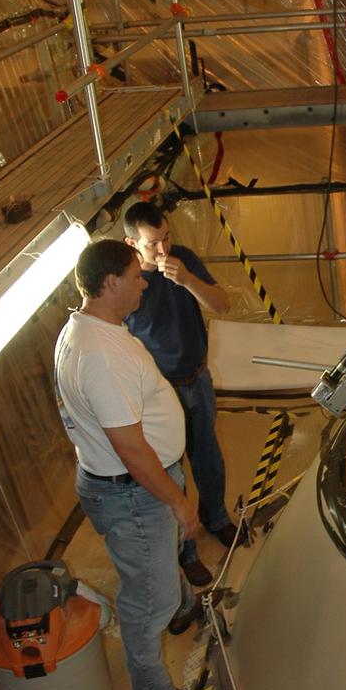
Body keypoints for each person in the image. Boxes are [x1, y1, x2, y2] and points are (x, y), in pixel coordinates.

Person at [54, 239, 216, 690]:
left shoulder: (91, 329)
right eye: (135, 274)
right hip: (133, 490)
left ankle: (184, 607)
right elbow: (129, 448)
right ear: (110, 284)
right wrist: (179, 502)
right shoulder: (100, 355)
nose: (143, 281)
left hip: (130, 483)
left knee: (159, 567)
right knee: (148, 599)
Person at [122, 201, 235, 588]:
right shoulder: (127, 281)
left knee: (209, 456)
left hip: (197, 378)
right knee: (172, 472)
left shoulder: (182, 261)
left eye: (167, 238)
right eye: (154, 244)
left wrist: (187, 279)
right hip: (159, 394)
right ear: (132, 243)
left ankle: (216, 517)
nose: (164, 250)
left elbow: (222, 304)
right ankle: (187, 553)